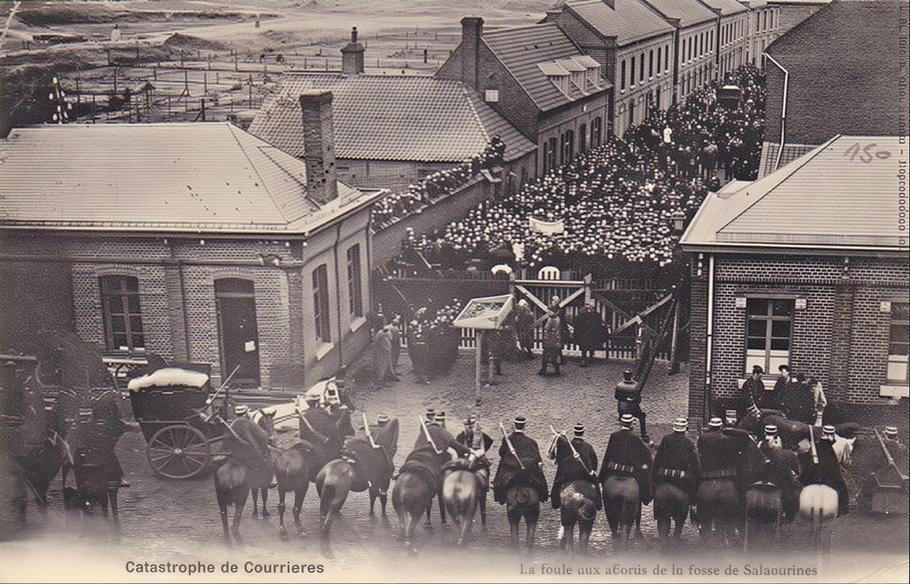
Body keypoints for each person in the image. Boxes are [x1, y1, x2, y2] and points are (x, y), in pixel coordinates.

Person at [492, 416, 548, 505]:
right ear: (524, 426)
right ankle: (543, 495)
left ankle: (499, 496)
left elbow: (501, 454)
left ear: (514, 425)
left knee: (499, 476)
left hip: (511, 473)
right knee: (540, 477)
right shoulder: (531, 441)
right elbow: (538, 460)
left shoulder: (507, 440)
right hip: (528, 473)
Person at [599, 414, 652, 508]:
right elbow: (645, 455)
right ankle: (645, 498)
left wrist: (602, 477)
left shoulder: (614, 436)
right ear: (631, 424)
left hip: (614, 471)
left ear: (622, 423)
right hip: (630, 473)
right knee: (642, 480)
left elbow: (607, 456)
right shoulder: (636, 439)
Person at [799, 425, 850, 516]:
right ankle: (842, 510)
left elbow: (806, 465)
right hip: (827, 479)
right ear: (833, 435)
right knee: (842, 488)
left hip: (812, 478)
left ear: (823, 434)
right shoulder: (831, 449)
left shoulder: (814, 447)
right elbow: (834, 470)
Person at [856, 426, 908, 513]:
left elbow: (873, 464)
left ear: (885, 434)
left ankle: (859, 501)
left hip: (881, 479)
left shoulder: (879, 448)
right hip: (899, 479)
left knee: (865, 486)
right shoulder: (903, 448)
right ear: (896, 435)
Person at [548, 423, 600, 509]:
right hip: (584, 476)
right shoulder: (588, 447)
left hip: (568, 476)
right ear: (583, 432)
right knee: (596, 483)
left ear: (574, 432)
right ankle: (599, 504)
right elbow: (594, 464)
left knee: (556, 484)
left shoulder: (566, 446)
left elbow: (559, 460)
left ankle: (555, 503)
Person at [651, 417, 700, 502]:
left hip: (664, 478)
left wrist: (653, 480)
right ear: (686, 429)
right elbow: (695, 466)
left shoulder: (666, 439)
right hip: (682, 480)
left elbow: (657, 460)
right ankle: (693, 503)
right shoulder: (689, 443)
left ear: (674, 427)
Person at [614, 369, 651, 445]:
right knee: (642, 416)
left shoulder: (619, 385)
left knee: (621, 409)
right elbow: (638, 400)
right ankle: (643, 434)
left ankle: (623, 424)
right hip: (633, 408)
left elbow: (616, 397)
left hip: (622, 409)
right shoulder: (635, 386)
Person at [574, 300, 605, 367]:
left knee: (588, 346)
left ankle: (587, 358)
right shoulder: (584, 314)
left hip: (589, 333)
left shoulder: (595, 315)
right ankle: (585, 359)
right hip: (586, 333)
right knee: (586, 346)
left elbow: (599, 324)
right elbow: (578, 324)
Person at [539, 309, 563, 376]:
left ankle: (544, 370)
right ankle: (556, 370)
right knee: (554, 356)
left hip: (550, 341)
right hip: (556, 341)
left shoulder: (551, 320)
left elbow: (548, 330)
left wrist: (546, 339)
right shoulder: (558, 319)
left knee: (546, 356)